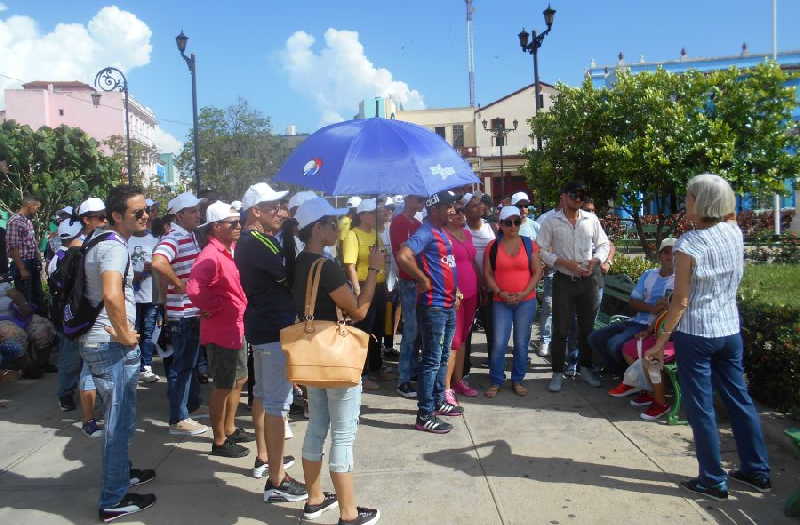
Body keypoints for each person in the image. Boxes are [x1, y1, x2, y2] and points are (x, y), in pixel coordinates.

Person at [645, 173, 771, 500]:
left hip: (696, 334)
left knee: (701, 408)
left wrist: (660, 343)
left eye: (689, 197)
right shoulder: (733, 231)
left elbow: (682, 300)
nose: (685, 202)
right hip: (729, 329)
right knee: (739, 398)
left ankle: (712, 480)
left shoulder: (689, 244)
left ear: (701, 202)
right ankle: (757, 470)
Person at [293, 197, 382, 525]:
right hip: (335, 357)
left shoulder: (300, 261)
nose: (337, 229)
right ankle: (348, 512)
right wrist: (373, 269)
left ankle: (314, 499)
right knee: (343, 434)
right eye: (332, 224)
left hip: (312, 355)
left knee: (316, 427)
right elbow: (360, 309)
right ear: (317, 229)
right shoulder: (325, 266)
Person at [78, 184, 156, 522]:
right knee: (118, 424)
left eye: (146, 210)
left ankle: (122, 475)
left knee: (117, 419)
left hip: (99, 341)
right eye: (137, 212)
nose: (145, 216)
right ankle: (113, 499)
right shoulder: (115, 249)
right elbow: (111, 295)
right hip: (110, 344)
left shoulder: (100, 242)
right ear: (116, 216)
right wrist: (126, 335)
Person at [235, 183, 304, 499]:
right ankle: (277, 480)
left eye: (280, 205)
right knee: (278, 404)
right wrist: (292, 238)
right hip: (273, 329)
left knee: (264, 396)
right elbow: (288, 276)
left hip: (267, 326)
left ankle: (265, 457)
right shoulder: (255, 243)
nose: (280, 211)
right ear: (255, 212)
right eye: (273, 207)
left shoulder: (259, 240)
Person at [187, 201, 252, 458]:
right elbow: (193, 288)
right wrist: (215, 306)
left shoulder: (228, 250)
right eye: (232, 223)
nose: (238, 227)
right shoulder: (210, 256)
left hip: (234, 325)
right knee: (223, 385)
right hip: (223, 329)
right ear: (216, 227)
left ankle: (230, 427)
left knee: (239, 379)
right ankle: (219, 440)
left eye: (239, 222)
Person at [396, 190, 464, 434]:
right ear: (435, 209)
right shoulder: (425, 232)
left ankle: (437, 402)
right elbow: (403, 255)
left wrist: (454, 290)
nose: (452, 211)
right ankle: (424, 414)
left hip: (446, 304)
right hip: (433, 305)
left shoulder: (440, 232)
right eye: (447, 207)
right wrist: (421, 278)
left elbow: (444, 266)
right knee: (432, 360)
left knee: (443, 357)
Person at [536, 181, 610, 393]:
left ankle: (585, 368)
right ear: (564, 196)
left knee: (587, 328)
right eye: (574, 195)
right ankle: (558, 372)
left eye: (582, 195)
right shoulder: (551, 221)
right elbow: (540, 249)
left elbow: (604, 244)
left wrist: (595, 261)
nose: (578, 199)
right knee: (561, 328)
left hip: (588, 280)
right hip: (564, 279)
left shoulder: (591, 219)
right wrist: (562, 262)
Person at [152, 192, 209, 436]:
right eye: (193, 211)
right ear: (179, 215)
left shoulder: (189, 236)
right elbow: (158, 262)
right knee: (182, 367)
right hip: (183, 313)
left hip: (188, 312)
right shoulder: (175, 236)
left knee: (189, 365)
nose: (198, 214)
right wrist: (179, 284)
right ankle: (178, 418)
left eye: (198, 210)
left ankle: (187, 408)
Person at [483, 206, 542, 398]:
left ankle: (517, 379)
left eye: (516, 222)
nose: (513, 226)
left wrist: (523, 293)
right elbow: (488, 274)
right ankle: (496, 379)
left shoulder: (528, 244)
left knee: (521, 342)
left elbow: (537, 272)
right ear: (500, 224)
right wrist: (500, 292)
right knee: (499, 342)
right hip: (501, 300)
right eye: (508, 223)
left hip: (526, 300)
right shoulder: (493, 246)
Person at [595, 238, 675, 377]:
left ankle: (625, 375)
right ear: (660, 255)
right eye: (666, 252)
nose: (670, 256)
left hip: (654, 328)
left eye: (674, 253)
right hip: (635, 321)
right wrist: (652, 308)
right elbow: (633, 301)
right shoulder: (649, 274)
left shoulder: (680, 280)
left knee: (615, 343)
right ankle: (620, 372)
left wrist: (659, 309)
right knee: (595, 337)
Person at [342, 198, 385, 389]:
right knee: (362, 331)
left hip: (379, 286)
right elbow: (350, 265)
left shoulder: (376, 234)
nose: (378, 216)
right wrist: (357, 289)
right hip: (363, 285)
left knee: (377, 329)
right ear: (363, 215)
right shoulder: (353, 234)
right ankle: (362, 372)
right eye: (373, 213)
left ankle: (376, 367)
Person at [443, 200, 480, 403]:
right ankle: (445, 387)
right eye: (454, 212)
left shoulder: (466, 234)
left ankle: (457, 381)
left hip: (472, 292)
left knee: (463, 338)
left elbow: (472, 261)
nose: (459, 215)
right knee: (453, 341)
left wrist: (481, 283)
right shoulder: (443, 235)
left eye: (461, 211)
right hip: (454, 295)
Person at [389, 194, 426, 398]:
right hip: (409, 280)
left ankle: (411, 370)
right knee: (411, 330)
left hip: (418, 280)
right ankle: (403, 379)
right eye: (418, 200)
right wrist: (418, 276)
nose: (421, 203)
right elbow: (401, 255)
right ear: (409, 200)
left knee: (418, 329)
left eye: (423, 200)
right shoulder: (399, 222)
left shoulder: (418, 222)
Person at [463, 193, 496, 375]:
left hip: (490, 287)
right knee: (467, 329)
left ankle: (494, 365)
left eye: (480, 204)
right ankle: (464, 367)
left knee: (492, 327)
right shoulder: (461, 230)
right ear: (466, 211)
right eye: (474, 205)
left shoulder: (491, 227)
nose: (480, 208)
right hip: (469, 287)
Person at [128, 223, 160, 383]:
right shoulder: (125, 239)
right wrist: (137, 275)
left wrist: (153, 268)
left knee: (147, 333)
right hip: (130, 297)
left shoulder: (155, 240)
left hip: (150, 296)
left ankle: (146, 366)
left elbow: (163, 265)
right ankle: (132, 366)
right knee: (133, 331)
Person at [7, 195, 44, 312]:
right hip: (23, 263)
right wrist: (22, 269)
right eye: (36, 208)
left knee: (36, 295)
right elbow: (13, 247)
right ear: (29, 206)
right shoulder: (15, 221)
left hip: (32, 262)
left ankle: (40, 322)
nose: (36, 211)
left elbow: (32, 242)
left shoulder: (27, 221)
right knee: (26, 298)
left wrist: (38, 258)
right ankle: (28, 324)